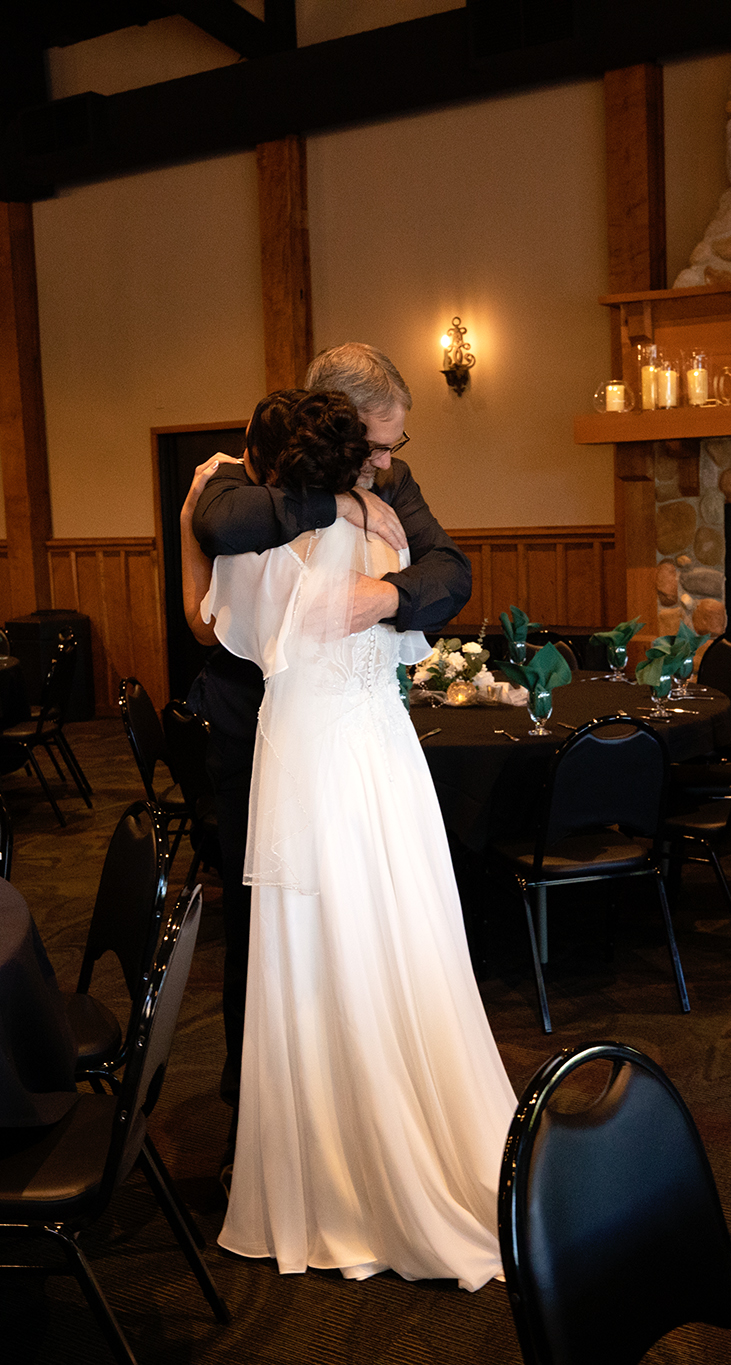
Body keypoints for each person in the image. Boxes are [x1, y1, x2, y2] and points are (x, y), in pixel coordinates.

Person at [177, 386, 515, 1290]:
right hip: (384, 758)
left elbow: (216, 625)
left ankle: (327, 1164)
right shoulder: (386, 535)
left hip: (311, 760)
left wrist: (185, 541)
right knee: (399, 933)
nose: (391, 460)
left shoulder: (261, 541)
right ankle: (417, 1131)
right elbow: (417, 623)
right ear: (348, 447)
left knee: (312, 948)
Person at [184, 344, 473, 1132]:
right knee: (263, 922)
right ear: (339, 426)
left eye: (393, 446)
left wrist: (383, 594)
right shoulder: (251, 466)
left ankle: (362, 1095)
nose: (387, 463)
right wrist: (336, 505)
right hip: (252, 730)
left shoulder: (395, 479)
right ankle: (258, 1111)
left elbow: (450, 571)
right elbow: (219, 520)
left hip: (351, 729)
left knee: (365, 911)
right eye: (378, 444)